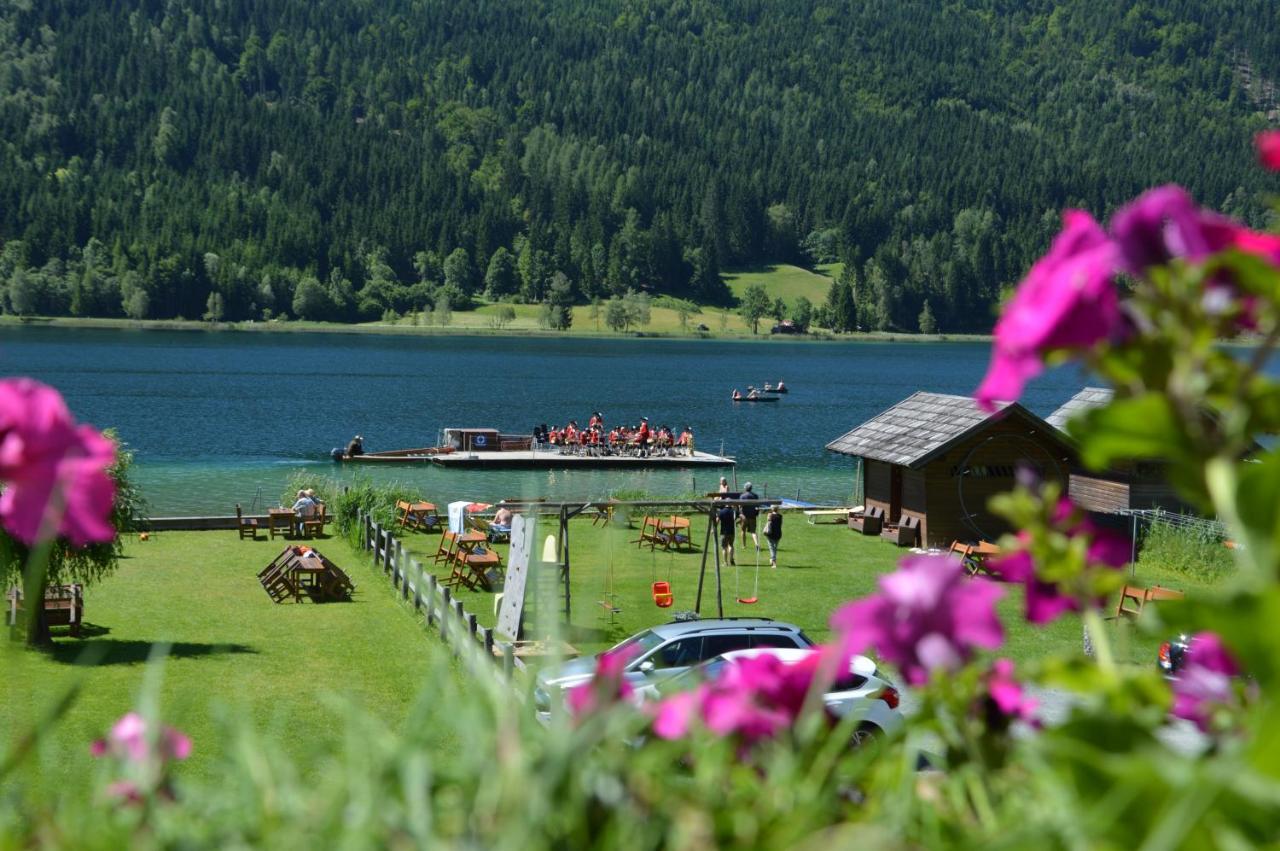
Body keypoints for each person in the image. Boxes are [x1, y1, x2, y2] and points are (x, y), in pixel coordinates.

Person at [738, 481, 760, 550]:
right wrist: (756, 513)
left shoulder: (742, 496)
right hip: (752, 515)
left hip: (744, 516)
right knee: (753, 531)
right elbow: (758, 506)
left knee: (743, 531)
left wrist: (740, 514)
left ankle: (744, 546)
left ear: (745, 488)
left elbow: (740, 506)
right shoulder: (755, 496)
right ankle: (756, 544)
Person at [716, 497, 737, 567]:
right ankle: (731, 560)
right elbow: (743, 517)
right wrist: (737, 522)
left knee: (724, 547)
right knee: (731, 545)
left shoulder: (721, 511)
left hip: (723, 532)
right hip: (732, 531)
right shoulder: (733, 511)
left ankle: (725, 562)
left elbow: (717, 521)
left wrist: (713, 528)